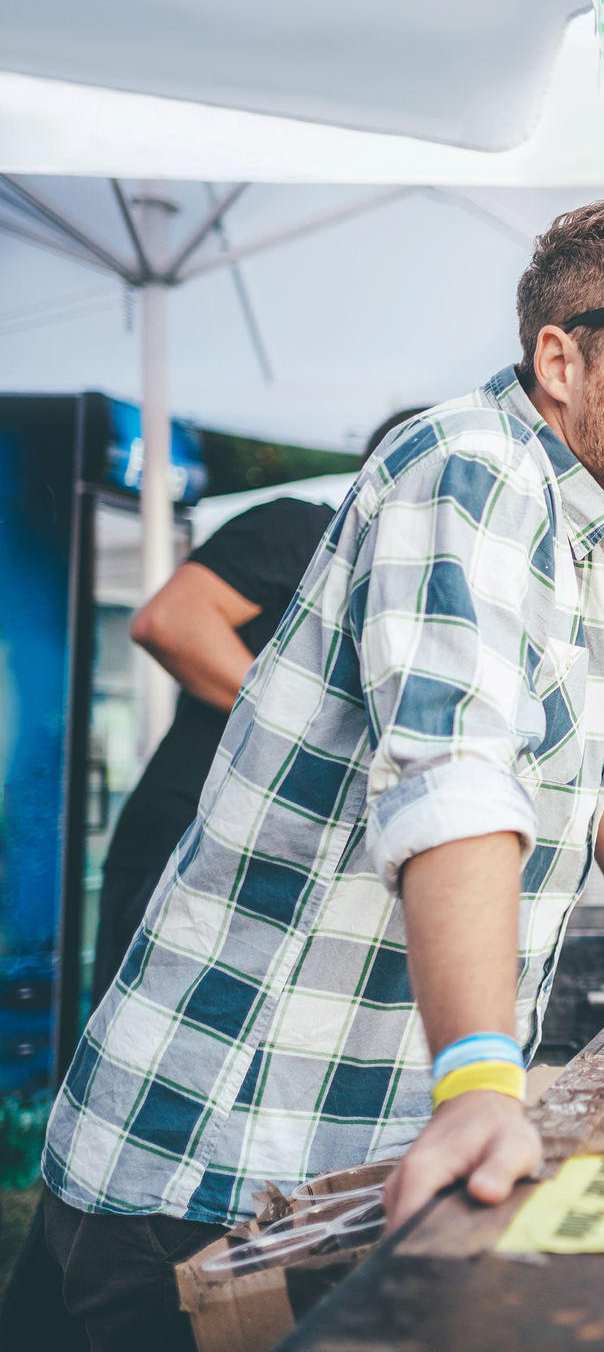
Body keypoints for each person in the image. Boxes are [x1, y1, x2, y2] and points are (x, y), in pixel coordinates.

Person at [14, 190, 604, 1351]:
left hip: (335, 1165)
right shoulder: (466, 468)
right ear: (559, 360)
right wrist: (478, 1078)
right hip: (208, 1176)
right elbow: (455, 771)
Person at [88, 410, 425, 1007]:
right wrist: (313, 727)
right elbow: (169, 622)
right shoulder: (302, 531)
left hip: (265, 874)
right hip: (181, 849)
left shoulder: (410, 598)